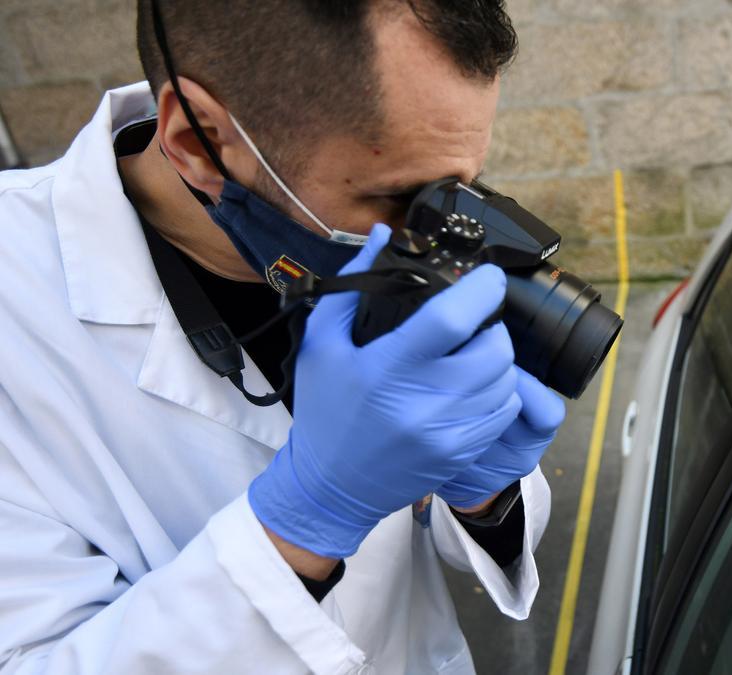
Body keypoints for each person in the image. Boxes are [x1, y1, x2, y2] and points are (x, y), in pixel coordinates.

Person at [0, 1, 563, 672]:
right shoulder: (20, 310)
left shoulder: (351, 219)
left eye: (459, 189)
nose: (433, 227)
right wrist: (305, 520)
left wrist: (483, 492)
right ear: (196, 141)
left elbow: (437, 530)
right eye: (400, 196)